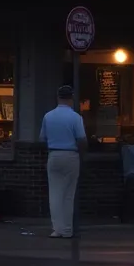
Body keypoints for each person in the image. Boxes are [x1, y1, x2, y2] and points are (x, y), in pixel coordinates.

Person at [39, 85, 86, 239]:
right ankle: (67, 229)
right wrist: (81, 156)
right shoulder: (76, 118)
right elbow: (82, 139)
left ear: (58, 97)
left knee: (55, 194)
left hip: (54, 154)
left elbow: (42, 139)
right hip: (71, 155)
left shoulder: (48, 116)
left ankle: (57, 229)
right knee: (68, 195)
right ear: (71, 98)